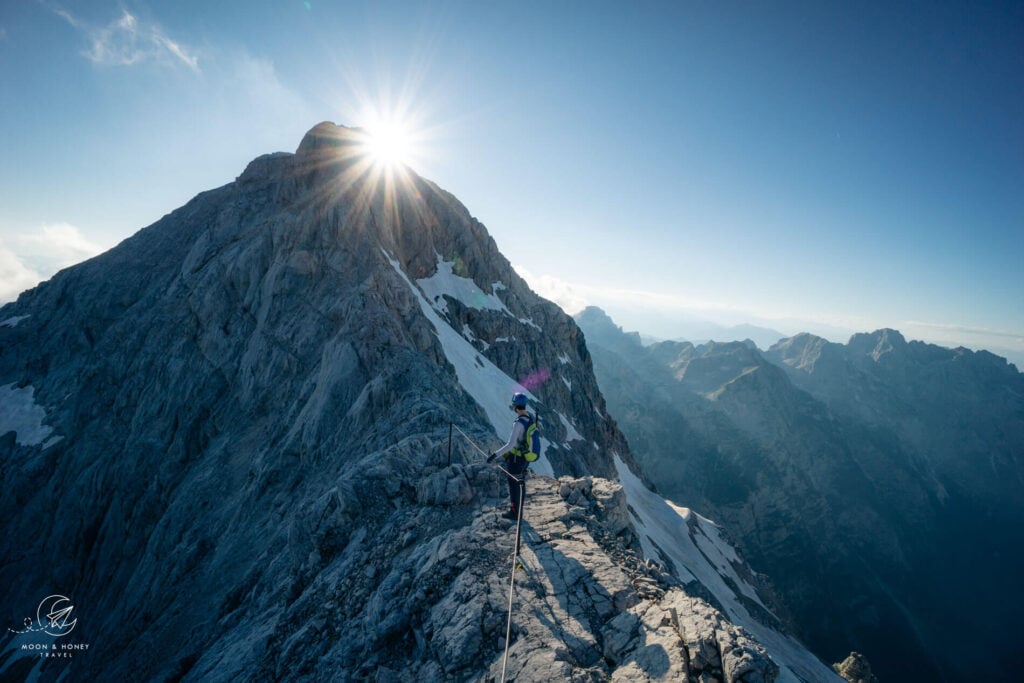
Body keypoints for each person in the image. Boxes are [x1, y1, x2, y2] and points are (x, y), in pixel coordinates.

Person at [487, 393, 534, 520]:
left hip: (516, 460)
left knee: (513, 485)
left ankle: (514, 512)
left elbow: (511, 444)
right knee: (521, 482)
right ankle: (520, 510)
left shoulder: (518, 423)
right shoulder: (530, 419)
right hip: (526, 459)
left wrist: (494, 455)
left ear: (516, 406)